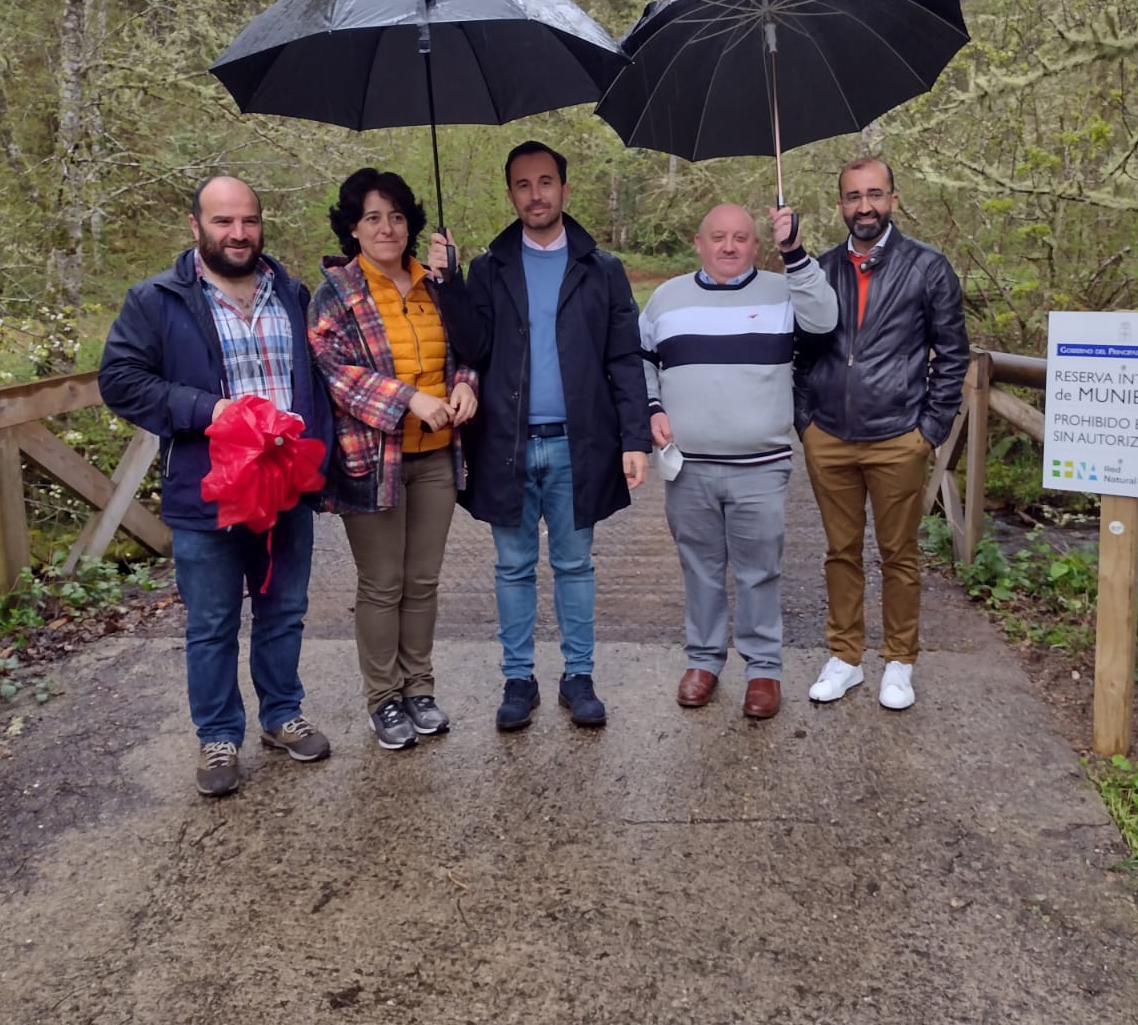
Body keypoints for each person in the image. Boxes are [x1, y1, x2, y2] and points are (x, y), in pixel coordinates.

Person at [99, 175, 334, 797]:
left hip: (285, 488)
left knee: (284, 611)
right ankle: (218, 735)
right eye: (224, 222)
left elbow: (317, 382)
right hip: (208, 491)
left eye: (249, 221)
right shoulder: (156, 300)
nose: (238, 233)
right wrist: (209, 411)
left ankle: (282, 714)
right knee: (211, 621)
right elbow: (120, 380)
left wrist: (324, 462)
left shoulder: (291, 291)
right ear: (195, 226)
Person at [428, 140, 651, 732]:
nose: (536, 195)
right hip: (508, 443)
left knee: (575, 565)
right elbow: (472, 347)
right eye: (523, 185)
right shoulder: (489, 269)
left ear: (564, 190)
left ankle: (579, 676)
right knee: (513, 565)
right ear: (511, 194)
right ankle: (518, 679)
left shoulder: (600, 269)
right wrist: (448, 284)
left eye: (546, 182)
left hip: (580, 444)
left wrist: (634, 438)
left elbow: (625, 358)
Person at [640, 202, 837, 719]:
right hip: (689, 466)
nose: (730, 246)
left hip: (761, 466)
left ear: (757, 244)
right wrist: (652, 407)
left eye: (742, 238)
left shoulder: (783, 290)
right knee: (700, 568)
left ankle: (764, 670)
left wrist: (795, 253)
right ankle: (703, 661)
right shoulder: (666, 299)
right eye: (719, 237)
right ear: (698, 242)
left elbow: (825, 318)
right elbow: (640, 364)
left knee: (759, 571)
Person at [308, 168, 478, 751]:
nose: (388, 228)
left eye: (398, 216)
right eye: (374, 217)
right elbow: (334, 373)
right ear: (353, 227)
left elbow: (466, 347)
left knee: (422, 581)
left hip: (435, 458)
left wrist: (465, 383)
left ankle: (419, 689)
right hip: (372, 460)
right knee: (383, 583)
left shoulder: (434, 283)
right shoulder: (336, 293)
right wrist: (408, 397)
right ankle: (384, 699)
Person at [794, 157, 969, 711]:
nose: (863, 206)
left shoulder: (927, 267)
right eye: (852, 196)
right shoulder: (818, 270)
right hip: (831, 436)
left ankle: (899, 660)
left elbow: (954, 353)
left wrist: (930, 428)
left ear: (893, 198)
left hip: (899, 435)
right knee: (840, 552)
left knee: (899, 554)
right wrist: (807, 422)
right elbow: (799, 354)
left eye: (874, 194)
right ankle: (845, 658)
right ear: (840, 203)